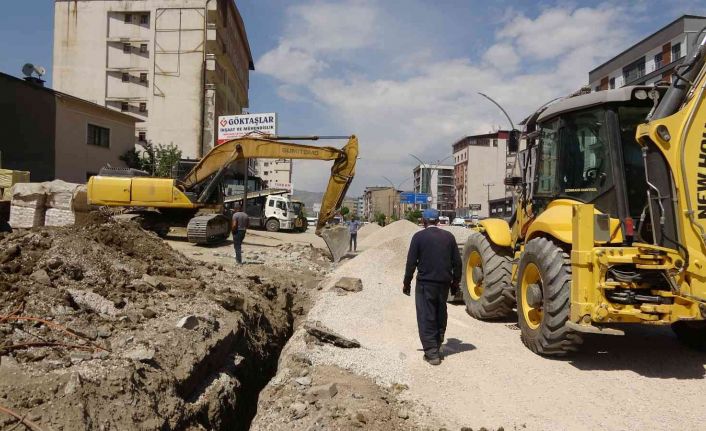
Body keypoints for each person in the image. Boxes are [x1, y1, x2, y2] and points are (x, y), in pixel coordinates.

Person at [403, 208, 461, 365]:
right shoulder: (449, 237)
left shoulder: (418, 237)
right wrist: (455, 283)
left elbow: (411, 263)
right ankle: (438, 343)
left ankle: (432, 353)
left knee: (426, 316)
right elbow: (457, 262)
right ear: (438, 221)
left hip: (425, 284)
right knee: (440, 313)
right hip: (444, 284)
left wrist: (406, 283)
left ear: (423, 221)